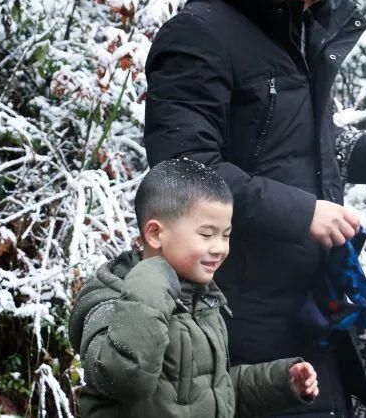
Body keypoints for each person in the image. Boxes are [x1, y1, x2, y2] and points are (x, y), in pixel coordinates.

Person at [144, 0, 366, 416]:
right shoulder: (198, 36)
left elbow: (283, 142)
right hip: (230, 318)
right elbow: (182, 173)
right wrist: (304, 213)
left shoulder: (304, 29)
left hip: (308, 309)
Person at [68, 158, 320, 417]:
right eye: (207, 234)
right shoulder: (111, 298)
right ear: (155, 234)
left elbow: (209, 392)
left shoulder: (203, 300)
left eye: (226, 235)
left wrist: (280, 383)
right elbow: (124, 379)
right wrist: (152, 278)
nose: (220, 248)